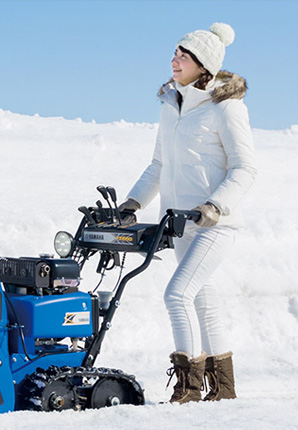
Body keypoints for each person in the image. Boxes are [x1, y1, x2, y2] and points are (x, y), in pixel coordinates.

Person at [118, 22, 257, 404]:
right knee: (203, 301)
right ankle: (223, 390)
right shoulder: (171, 107)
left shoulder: (226, 108)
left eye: (184, 56)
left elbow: (245, 168)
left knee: (177, 294)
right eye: (175, 54)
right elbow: (159, 165)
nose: (174, 61)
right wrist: (132, 204)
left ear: (204, 65)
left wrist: (215, 206)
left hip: (215, 223)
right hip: (180, 224)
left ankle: (188, 387)